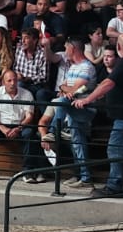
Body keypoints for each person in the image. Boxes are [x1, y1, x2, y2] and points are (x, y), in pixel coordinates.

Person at [76, 32, 123, 197]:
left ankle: (114, 185)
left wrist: (88, 98)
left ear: (118, 47)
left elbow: (109, 82)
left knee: (115, 149)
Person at [41, 36, 98, 187]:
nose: (65, 51)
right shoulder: (72, 67)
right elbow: (63, 87)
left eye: (66, 48)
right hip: (71, 107)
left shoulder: (87, 67)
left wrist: (67, 90)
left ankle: (55, 130)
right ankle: (82, 175)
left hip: (84, 109)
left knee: (60, 102)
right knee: (77, 142)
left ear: (73, 49)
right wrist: (66, 90)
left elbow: (74, 89)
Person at [0, 69, 42, 182]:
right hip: (1, 125)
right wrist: (4, 129)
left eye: (14, 80)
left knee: (29, 133)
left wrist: (18, 128)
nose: (13, 83)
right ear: (4, 82)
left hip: (21, 124)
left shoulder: (26, 94)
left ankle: (27, 171)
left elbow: (29, 117)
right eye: (9, 81)